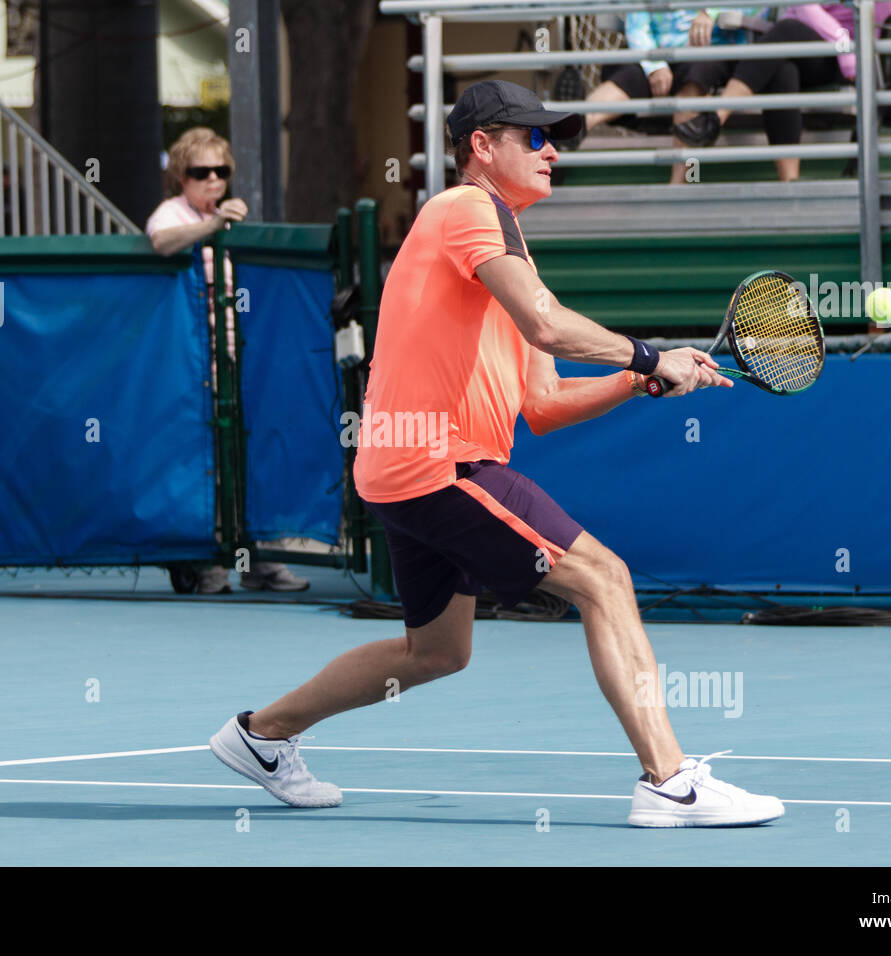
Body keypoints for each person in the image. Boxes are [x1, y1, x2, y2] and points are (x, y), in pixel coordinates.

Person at [208, 80, 786, 828]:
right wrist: (649, 352)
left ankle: (262, 735)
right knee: (605, 579)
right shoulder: (467, 210)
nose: (552, 151)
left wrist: (637, 380)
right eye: (534, 137)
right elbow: (546, 325)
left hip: (400, 470)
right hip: (439, 464)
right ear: (482, 147)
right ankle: (669, 780)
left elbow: (541, 404)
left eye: (555, 139)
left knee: (437, 652)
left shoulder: (503, 248)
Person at [146, 128, 309, 594]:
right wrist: (215, 226)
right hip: (192, 360)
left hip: (238, 353)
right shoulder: (175, 213)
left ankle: (258, 561)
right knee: (207, 461)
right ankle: (206, 564)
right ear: (181, 176)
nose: (213, 180)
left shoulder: (225, 217)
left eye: (222, 171)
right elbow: (161, 242)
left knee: (250, 454)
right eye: (201, 172)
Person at [673, 3, 891, 181]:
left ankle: (715, 118)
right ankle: (790, 183)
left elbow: (879, 10)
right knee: (782, 69)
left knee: (785, 32)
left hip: (841, 56)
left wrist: (844, 47)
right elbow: (804, 8)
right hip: (789, 48)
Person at [570, 8, 764, 183]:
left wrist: (710, 12)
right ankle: (568, 133)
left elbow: (756, 7)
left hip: (710, 52)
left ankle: (678, 187)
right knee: (627, 76)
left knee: (695, 79)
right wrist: (655, 66)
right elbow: (637, 25)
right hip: (657, 54)